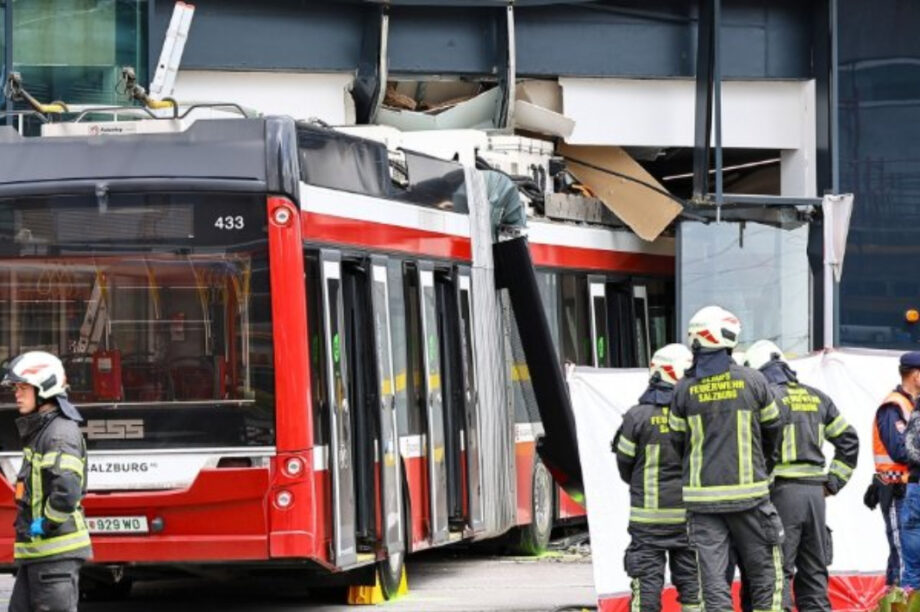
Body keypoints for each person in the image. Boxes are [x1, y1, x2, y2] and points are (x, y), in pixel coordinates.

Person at [668, 306, 785, 611]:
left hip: (703, 505)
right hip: (752, 500)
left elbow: (676, 443)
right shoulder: (754, 381)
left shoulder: (683, 390)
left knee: (713, 583)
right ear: (729, 338)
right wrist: (763, 470)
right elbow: (774, 433)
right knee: (765, 579)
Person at [746, 339, 859, 611]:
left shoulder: (765, 399)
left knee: (777, 573)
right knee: (814, 572)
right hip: (815, 498)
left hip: (781, 495)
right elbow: (849, 440)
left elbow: (756, 451)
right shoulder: (818, 397)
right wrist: (832, 483)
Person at [613, 343, 701, 612]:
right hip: (688, 518)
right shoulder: (694, 415)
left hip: (647, 520)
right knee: (693, 588)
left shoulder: (636, 417)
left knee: (646, 586)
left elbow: (624, 465)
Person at [3, 351, 91, 612]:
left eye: (23, 388)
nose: (16, 394)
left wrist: (48, 523)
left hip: (54, 557)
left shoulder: (58, 435)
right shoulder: (43, 431)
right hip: (39, 556)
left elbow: (66, 491)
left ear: (45, 388)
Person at [872, 351, 920, 590]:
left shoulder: (912, 405)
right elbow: (900, 450)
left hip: (909, 488)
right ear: (917, 377)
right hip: (897, 490)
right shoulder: (893, 406)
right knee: (903, 554)